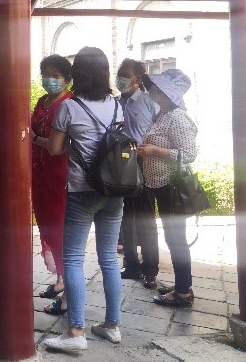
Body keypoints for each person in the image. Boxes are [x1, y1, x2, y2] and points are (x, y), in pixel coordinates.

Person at [42, 47, 124, 352]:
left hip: (81, 191)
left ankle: (76, 331)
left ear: (77, 74)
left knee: (74, 258)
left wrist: (36, 138)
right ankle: (112, 325)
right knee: (109, 259)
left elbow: (54, 148)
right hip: (114, 192)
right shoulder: (117, 106)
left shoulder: (69, 107)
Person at [139, 69, 198, 308]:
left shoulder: (178, 117)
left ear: (169, 94)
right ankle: (182, 285)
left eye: (158, 90)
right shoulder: (162, 115)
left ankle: (183, 293)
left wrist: (154, 150)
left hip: (171, 186)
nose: (154, 93)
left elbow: (189, 155)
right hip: (158, 184)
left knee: (176, 239)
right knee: (173, 237)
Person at [31, 54, 72, 305]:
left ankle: (69, 290)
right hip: (40, 174)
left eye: (55, 75)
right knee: (47, 227)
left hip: (60, 176)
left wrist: (35, 139)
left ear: (67, 79)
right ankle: (60, 279)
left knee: (61, 231)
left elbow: (62, 145)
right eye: (46, 74)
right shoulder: (42, 101)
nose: (49, 79)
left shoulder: (69, 103)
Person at [116, 59, 160, 288]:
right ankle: (131, 264)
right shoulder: (114, 103)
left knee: (145, 217)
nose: (121, 79)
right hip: (119, 165)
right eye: (119, 74)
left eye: (126, 75)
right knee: (125, 216)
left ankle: (150, 269)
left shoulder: (149, 102)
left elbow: (160, 132)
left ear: (138, 79)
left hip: (143, 163)